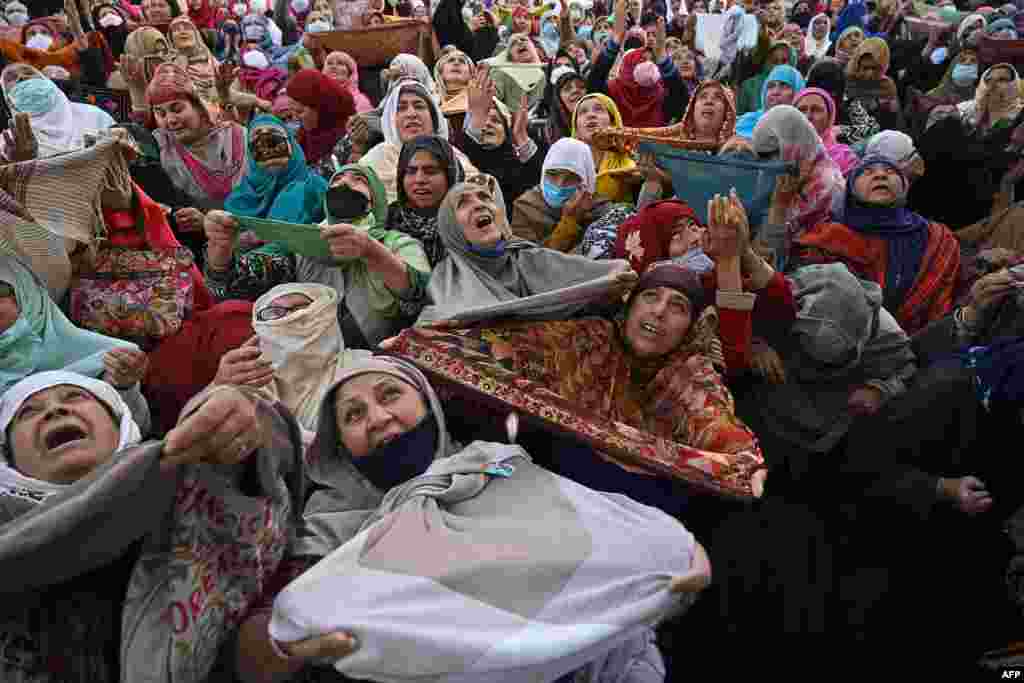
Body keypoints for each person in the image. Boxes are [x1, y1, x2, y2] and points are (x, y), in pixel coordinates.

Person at [233, 355, 710, 683]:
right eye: (354, 415)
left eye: (390, 394)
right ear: (339, 449)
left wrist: (671, 550)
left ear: (428, 404)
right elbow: (255, 650)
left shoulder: (495, 463)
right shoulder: (329, 528)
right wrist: (286, 647)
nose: (378, 418)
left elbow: (585, 523)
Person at [0, 370, 302, 683]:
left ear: (120, 423)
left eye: (75, 397)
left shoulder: (191, 477)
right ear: (8, 457)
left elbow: (263, 452)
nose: (55, 410)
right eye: (27, 412)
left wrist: (240, 420)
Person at [207, 163, 431, 348]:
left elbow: (422, 294)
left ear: (376, 199)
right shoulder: (304, 240)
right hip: (309, 354)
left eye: (359, 180)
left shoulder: (397, 243)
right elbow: (239, 279)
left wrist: (371, 251)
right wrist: (220, 246)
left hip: (378, 358)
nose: (345, 184)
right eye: (337, 179)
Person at [418, 180, 638, 324]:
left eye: (485, 198)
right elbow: (430, 331)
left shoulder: (529, 257)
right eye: (463, 203)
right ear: (451, 228)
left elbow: (598, 276)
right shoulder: (445, 280)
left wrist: (613, 282)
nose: (479, 205)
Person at [791, 156, 961, 335]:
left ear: (904, 185)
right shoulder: (827, 239)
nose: (880, 176)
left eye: (890, 172)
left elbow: (950, 298)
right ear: (851, 188)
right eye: (867, 172)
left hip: (926, 344)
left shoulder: (938, 238)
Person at [915, 63, 1024, 230]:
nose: (993, 85)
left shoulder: (1019, 120)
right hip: (954, 183)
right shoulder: (969, 111)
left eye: (1002, 80)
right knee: (945, 128)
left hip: (987, 193)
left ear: (1014, 85)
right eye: (988, 80)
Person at [358, 80, 478, 204]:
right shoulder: (373, 162)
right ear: (391, 120)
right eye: (401, 108)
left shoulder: (454, 157)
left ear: (434, 118)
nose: (411, 114)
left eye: (419, 106)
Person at [511, 137, 635, 257]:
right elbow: (531, 264)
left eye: (571, 177)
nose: (559, 184)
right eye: (553, 174)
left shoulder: (601, 209)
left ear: (586, 181)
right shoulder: (525, 207)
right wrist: (570, 221)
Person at [0, 63, 115, 162]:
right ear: (8, 101)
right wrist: (21, 163)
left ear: (49, 83)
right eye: (11, 78)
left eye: (29, 73)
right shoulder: (9, 141)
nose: (21, 77)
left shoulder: (95, 116)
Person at [385, 135, 466, 267]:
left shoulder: (468, 217)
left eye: (431, 171)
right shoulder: (388, 219)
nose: (419, 180)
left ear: (450, 175)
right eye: (411, 171)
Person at [571, 92, 639, 203]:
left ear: (613, 122)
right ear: (576, 130)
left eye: (598, 109)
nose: (590, 115)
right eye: (583, 112)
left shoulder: (631, 157)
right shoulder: (566, 163)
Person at [285, 68, 356, 174]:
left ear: (322, 110)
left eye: (300, 112)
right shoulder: (302, 136)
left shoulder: (349, 146)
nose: (295, 118)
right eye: (292, 111)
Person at [793, 86, 858, 175]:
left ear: (829, 117)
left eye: (816, 110)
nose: (808, 116)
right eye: (801, 110)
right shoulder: (780, 154)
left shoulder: (844, 157)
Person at [734, 63, 804, 138]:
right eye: (771, 86)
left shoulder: (804, 131)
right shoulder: (746, 122)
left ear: (797, 92)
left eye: (784, 86)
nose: (775, 92)